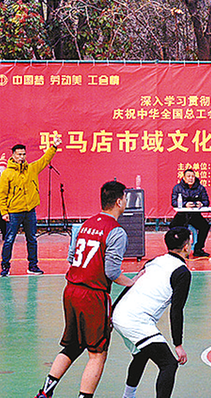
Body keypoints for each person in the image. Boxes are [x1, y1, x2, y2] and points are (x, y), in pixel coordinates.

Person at [35, 181, 135, 398]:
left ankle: (44, 394)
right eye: (125, 198)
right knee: (97, 354)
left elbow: (72, 257)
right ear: (119, 201)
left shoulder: (84, 225)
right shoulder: (116, 232)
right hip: (92, 296)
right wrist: (132, 283)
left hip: (71, 291)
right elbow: (111, 272)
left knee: (72, 346)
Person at [113, 227, 192, 398]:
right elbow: (176, 310)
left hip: (119, 314)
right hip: (135, 320)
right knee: (169, 364)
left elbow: (132, 286)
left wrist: (112, 312)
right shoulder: (182, 272)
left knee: (142, 353)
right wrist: (178, 344)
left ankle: (128, 396)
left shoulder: (154, 261)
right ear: (186, 247)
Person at [0, 135, 62, 276]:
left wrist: (54, 147)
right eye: (19, 154)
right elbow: (2, 194)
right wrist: (4, 212)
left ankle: (33, 266)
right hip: (14, 212)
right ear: (13, 156)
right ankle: (5, 267)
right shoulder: (7, 174)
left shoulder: (32, 168)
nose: (21, 157)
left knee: (32, 239)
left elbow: (45, 160)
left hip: (30, 211)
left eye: (23, 154)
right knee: (9, 240)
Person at [170, 168, 211, 258]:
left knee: (205, 226)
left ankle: (198, 248)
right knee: (173, 227)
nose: (191, 178)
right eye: (188, 176)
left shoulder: (200, 188)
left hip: (194, 215)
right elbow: (174, 202)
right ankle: (178, 249)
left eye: (192, 176)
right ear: (184, 178)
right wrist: (185, 204)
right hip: (182, 215)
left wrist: (201, 204)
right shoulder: (177, 188)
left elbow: (207, 201)